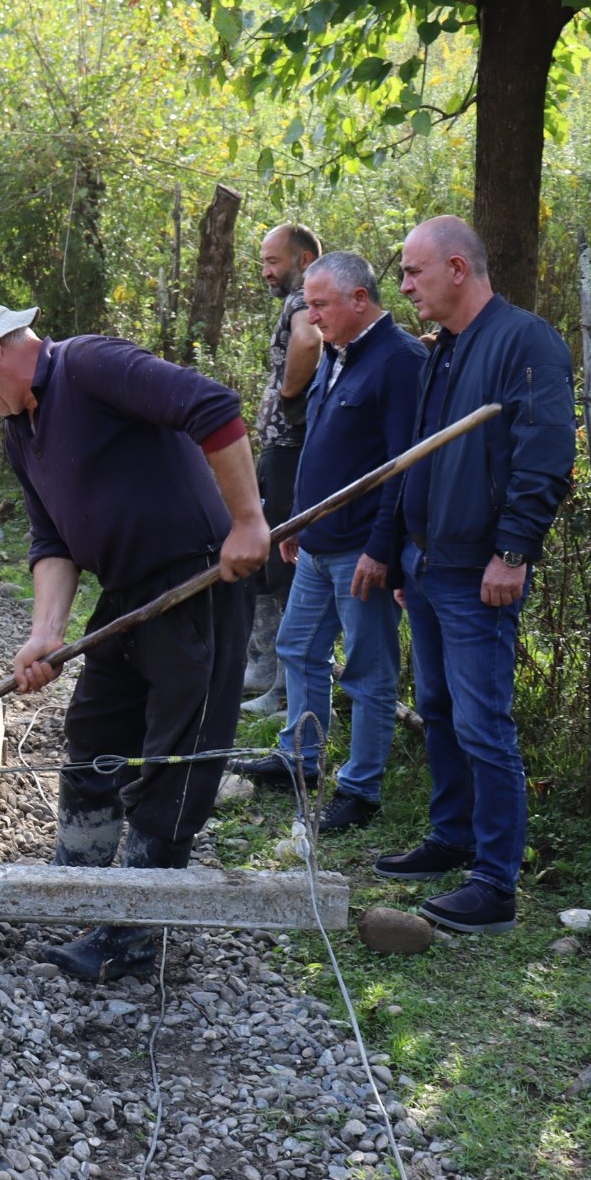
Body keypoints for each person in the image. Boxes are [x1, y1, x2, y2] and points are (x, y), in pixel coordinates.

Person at [0, 293, 269, 981]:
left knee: (177, 758)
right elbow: (52, 539)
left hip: (196, 581)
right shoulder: (20, 431)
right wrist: (45, 634)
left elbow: (212, 407)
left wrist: (247, 520)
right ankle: (77, 881)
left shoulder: (88, 366)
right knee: (94, 729)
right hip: (127, 594)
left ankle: (130, 932)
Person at [375, 216, 574, 935]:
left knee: (483, 722)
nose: (404, 286)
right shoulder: (446, 349)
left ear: (457, 268)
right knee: (437, 707)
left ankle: (494, 883)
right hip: (429, 563)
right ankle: (451, 837)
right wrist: (406, 552)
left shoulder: (525, 341)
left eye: (413, 272)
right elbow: (419, 456)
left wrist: (513, 552)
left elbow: (544, 454)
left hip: (478, 569)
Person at [228, 252, 424, 831]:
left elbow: (404, 467)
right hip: (316, 542)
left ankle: (360, 790)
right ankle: (300, 758)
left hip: (362, 549)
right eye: (308, 305)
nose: (310, 317)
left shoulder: (400, 361)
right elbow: (317, 446)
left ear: (359, 299)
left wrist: (381, 549)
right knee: (297, 648)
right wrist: (298, 522)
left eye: (319, 305)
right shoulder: (337, 354)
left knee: (368, 671)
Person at [242, 223, 323, 719]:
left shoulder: (303, 302)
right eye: (264, 262)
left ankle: (285, 687)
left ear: (304, 260)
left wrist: (289, 393)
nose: (266, 271)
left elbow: (309, 342)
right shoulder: (299, 300)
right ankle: (265, 670)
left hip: (292, 452)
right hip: (281, 451)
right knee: (267, 561)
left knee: (282, 565)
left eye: (273, 261)